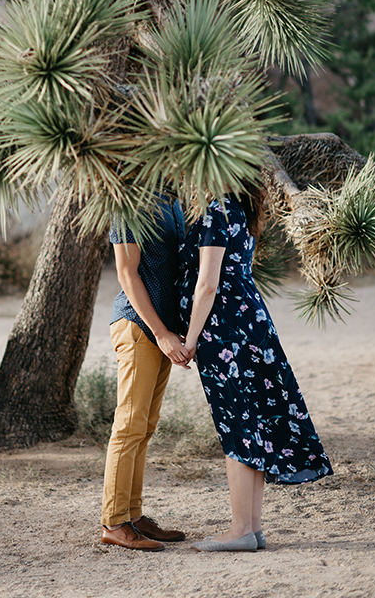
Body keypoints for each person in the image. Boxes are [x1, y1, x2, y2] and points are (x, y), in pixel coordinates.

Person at [179, 181, 333, 552]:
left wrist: (189, 339)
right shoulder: (241, 208)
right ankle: (250, 527)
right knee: (251, 423)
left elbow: (208, 284)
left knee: (237, 424)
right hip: (249, 324)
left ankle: (240, 529)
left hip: (226, 331)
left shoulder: (216, 208)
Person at [101, 191, 190, 551]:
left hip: (162, 329)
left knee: (145, 426)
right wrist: (162, 333)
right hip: (139, 326)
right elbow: (126, 272)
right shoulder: (128, 201)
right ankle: (113, 522)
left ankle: (133, 515)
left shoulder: (174, 201)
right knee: (129, 424)